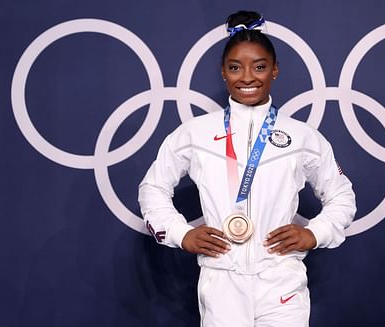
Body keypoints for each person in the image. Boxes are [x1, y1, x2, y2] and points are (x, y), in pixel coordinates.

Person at [139, 10, 356, 327]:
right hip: (221, 279)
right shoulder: (194, 133)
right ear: (223, 72)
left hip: (281, 278)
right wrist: (180, 233)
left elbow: (342, 195)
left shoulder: (302, 136)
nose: (248, 77)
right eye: (235, 67)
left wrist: (315, 233)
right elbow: (152, 188)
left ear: (275, 71)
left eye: (260, 67)